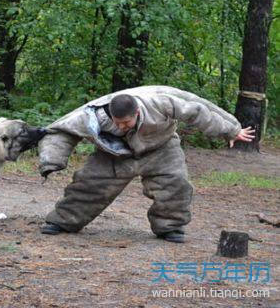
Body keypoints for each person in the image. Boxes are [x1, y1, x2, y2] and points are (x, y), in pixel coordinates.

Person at [39, 85, 255, 243]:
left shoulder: (160, 101)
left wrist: (231, 129)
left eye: (127, 122)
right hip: (115, 153)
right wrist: (51, 160)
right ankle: (63, 220)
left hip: (161, 147)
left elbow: (199, 110)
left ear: (138, 112)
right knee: (90, 185)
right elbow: (60, 130)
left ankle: (170, 227)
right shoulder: (93, 114)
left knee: (176, 184)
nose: (122, 126)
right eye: (118, 122)